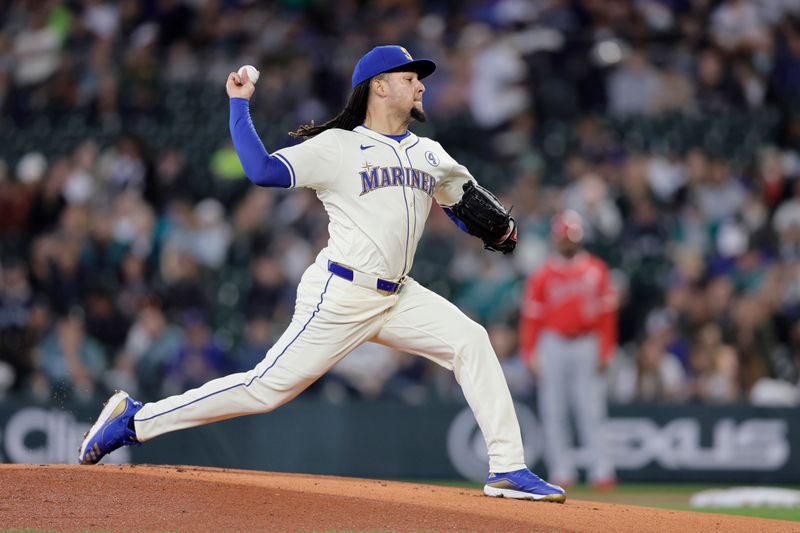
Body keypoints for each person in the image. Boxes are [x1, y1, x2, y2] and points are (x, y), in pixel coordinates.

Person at [78, 45, 565, 503]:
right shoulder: (337, 147)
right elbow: (262, 170)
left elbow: (464, 204)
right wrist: (238, 105)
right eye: (410, 78)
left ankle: (507, 468)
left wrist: (497, 230)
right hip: (342, 292)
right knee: (263, 389)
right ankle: (135, 420)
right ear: (378, 87)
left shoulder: (430, 153)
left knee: (471, 341)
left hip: (399, 296)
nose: (420, 87)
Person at [519, 210, 617, 489]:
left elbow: (607, 314)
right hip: (553, 343)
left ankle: (602, 470)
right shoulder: (542, 275)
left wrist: (607, 348)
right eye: (564, 238)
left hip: (587, 342)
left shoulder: (596, 269)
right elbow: (532, 318)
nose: (568, 243)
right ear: (556, 239)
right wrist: (530, 353)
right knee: (554, 410)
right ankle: (562, 470)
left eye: (572, 237)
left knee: (591, 409)